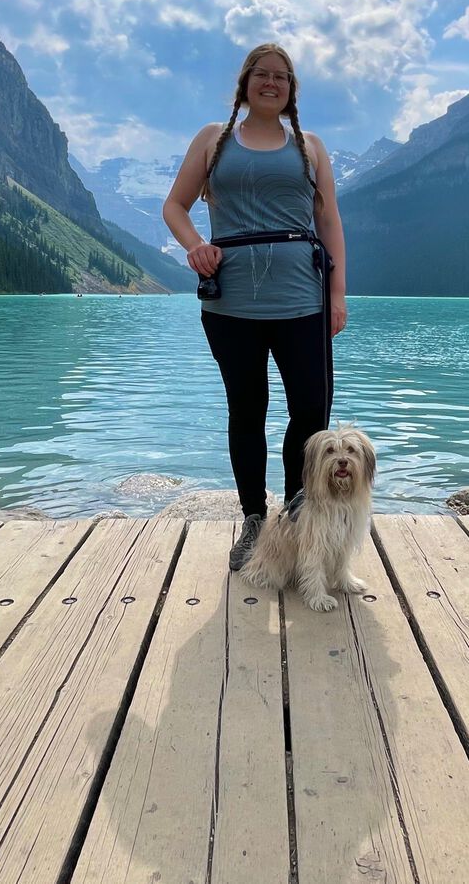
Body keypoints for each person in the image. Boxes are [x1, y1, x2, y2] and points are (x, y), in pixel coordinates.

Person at [163, 43, 349, 571]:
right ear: (244, 84)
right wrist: (194, 245)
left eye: (282, 78)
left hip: (303, 300)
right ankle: (251, 519)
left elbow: (329, 220)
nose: (272, 83)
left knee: (311, 412)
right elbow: (174, 205)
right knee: (248, 412)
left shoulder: (310, 147)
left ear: (292, 91)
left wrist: (337, 295)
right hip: (232, 303)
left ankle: (296, 514)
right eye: (262, 75)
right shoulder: (213, 140)